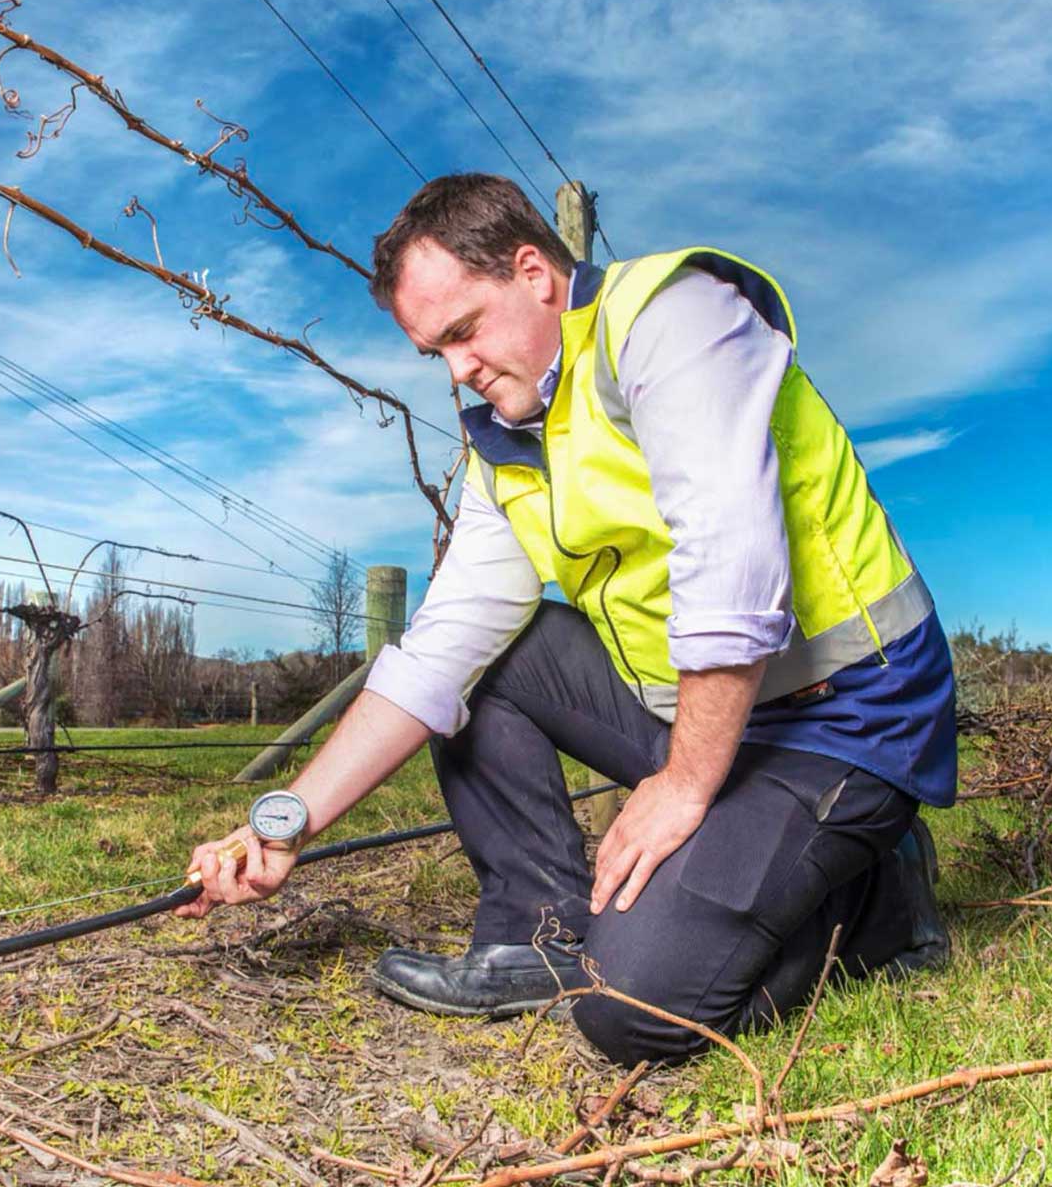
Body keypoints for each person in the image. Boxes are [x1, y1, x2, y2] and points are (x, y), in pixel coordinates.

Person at [179, 173, 956, 1067]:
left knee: (633, 1008)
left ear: (533, 271)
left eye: (464, 331)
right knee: (490, 660)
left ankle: (884, 902)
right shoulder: (506, 448)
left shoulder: (675, 318)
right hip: (702, 716)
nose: (457, 370)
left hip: (844, 710)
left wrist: (684, 786)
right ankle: (536, 936)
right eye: (436, 352)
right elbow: (437, 659)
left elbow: (731, 561)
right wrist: (286, 827)